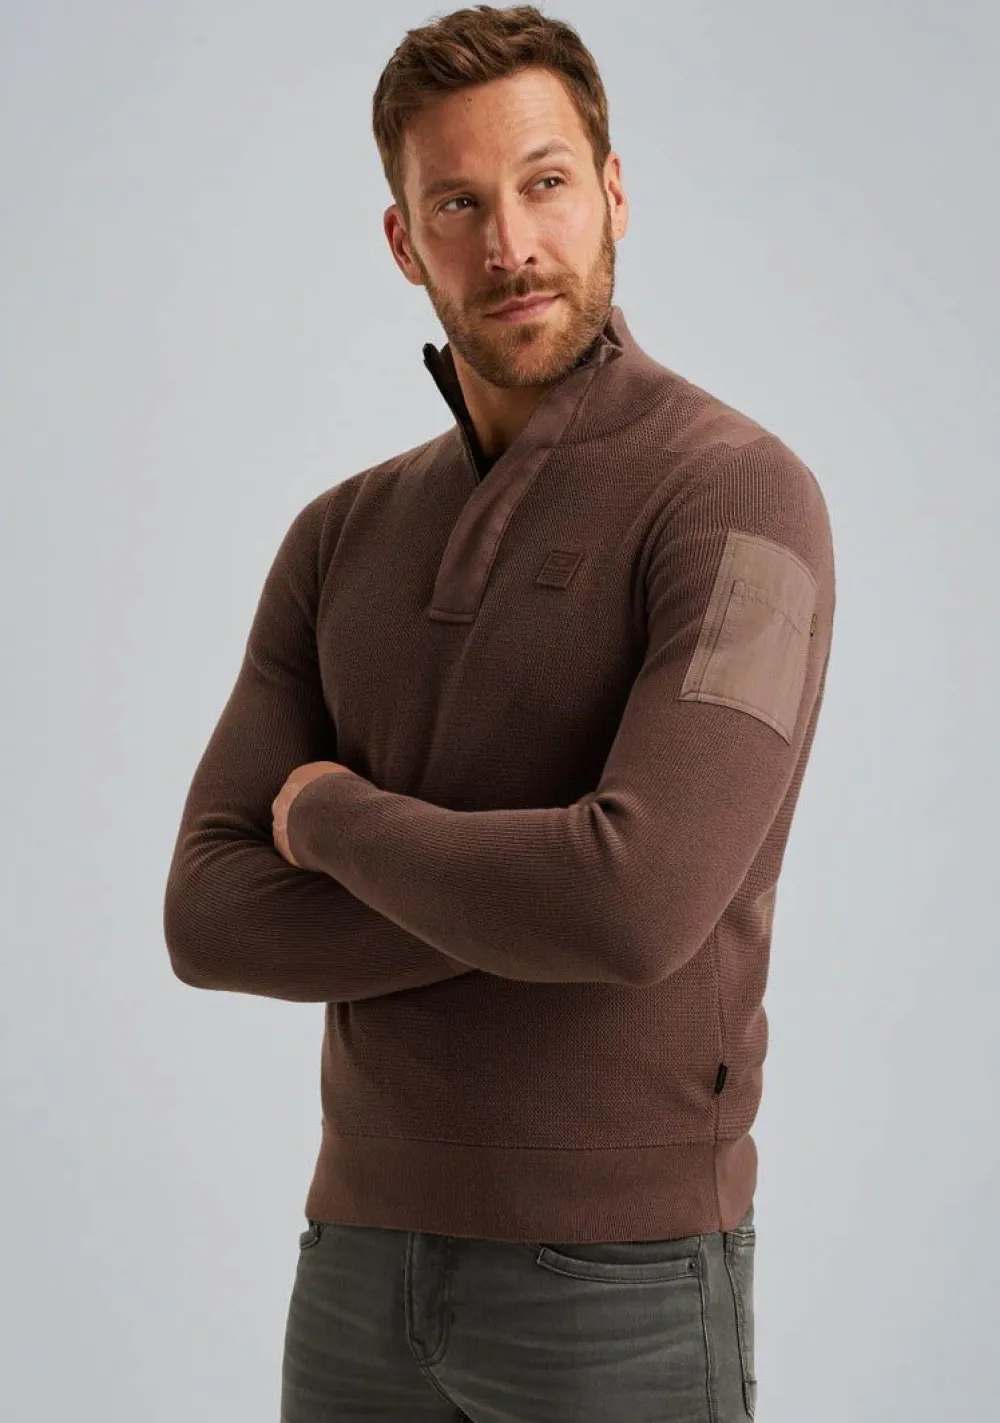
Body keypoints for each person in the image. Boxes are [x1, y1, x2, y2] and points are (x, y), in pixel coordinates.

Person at [163, 5, 836, 1419]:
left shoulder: (743, 500)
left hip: (624, 1282)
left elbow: (635, 907)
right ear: (404, 241)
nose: (511, 243)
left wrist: (329, 817)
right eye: (458, 203)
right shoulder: (337, 537)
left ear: (615, 193)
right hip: (354, 1263)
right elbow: (209, 915)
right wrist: (537, 885)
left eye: (545, 182)